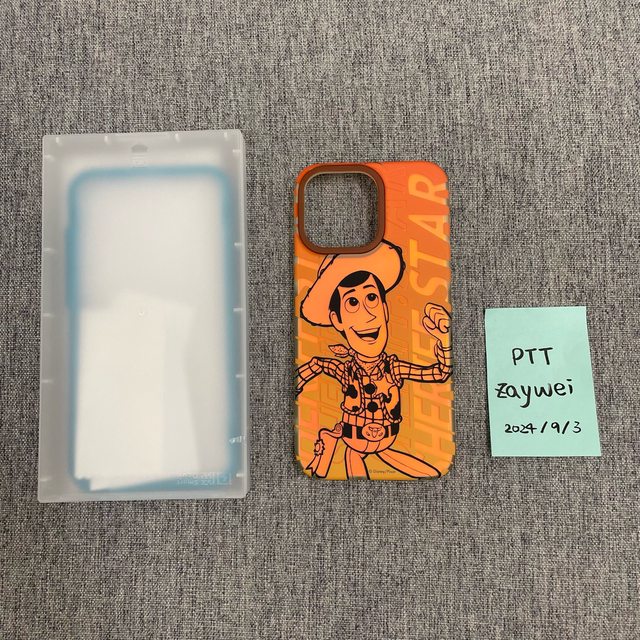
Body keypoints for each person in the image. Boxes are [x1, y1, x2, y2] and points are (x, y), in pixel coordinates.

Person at [296, 240, 452, 478]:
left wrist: (444, 342)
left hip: (387, 439)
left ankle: (337, 446)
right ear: (337, 320)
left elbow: (439, 373)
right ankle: (331, 443)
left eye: (371, 298)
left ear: (385, 310)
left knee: (414, 468)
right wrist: (296, 382)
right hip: (353, 439)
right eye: (352, 302)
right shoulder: (346, 370)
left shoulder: (393, 368)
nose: (367, 314)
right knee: (353, 456)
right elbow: (318, 364)